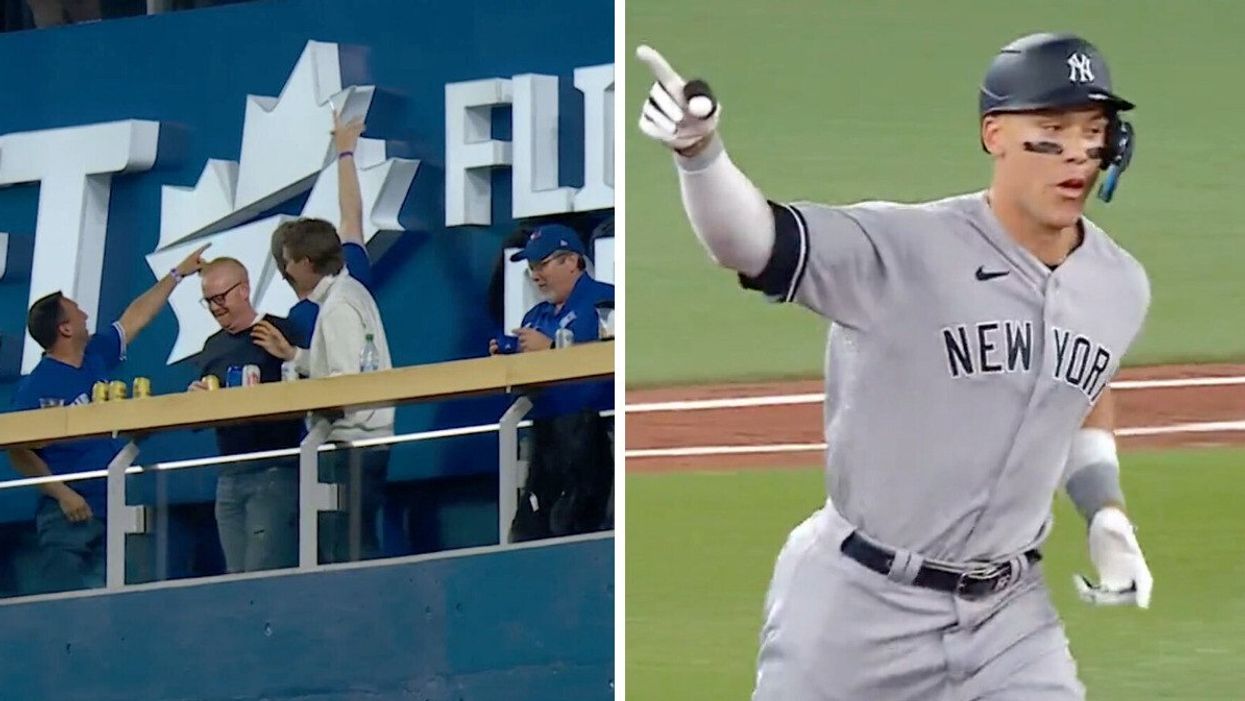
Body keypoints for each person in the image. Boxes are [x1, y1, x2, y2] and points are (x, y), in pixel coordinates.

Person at [636, 33, 1152, 700]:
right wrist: (698, 154)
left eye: (1093, 131)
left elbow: (1080, 385)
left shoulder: (1118, 283)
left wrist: (1104, 511)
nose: (1077, 152)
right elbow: (752, 241)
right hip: (854, 611)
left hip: (1008, 619)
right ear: (994, 134)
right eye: (1051, 129)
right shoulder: (905, 248)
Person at [6, 244, 209, 593]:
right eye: (78, 312)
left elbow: (137, 317)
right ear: (65, 329)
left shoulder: (96, 355)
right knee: (70, 610)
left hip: (117, 506)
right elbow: (18, 450)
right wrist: (63, 494)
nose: (86, 316)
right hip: (70, 515)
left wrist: (177, 274)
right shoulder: (35, 386)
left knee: (119, 603)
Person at [251, 218, 394, 563]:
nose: (285, 270)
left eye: (288, 261)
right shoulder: (346, 294)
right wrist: (294, 356)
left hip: (350, 445)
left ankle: (362, 612)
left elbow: (343, 382)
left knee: (346, 547)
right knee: (350, 542)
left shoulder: (339, 307)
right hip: (363, 442)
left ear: (306, 262)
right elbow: (343, 364)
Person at [494, 224, 614, 541]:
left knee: (575, 525)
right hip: (546, 442)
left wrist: (548, 349)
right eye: (532, 267)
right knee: (526, 533)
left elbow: (613, 363)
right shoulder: (535, 317)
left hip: (595, 437)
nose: (535, 275)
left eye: (542, 264)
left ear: (571, 261)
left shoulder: (605, 301)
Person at [188, 257, 304, 573]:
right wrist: (196, 402)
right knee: (236, 576)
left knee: (264, 570)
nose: (215, 308)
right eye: (208, 301)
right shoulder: (212, 347)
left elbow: (308, 388)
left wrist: (289, 357)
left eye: (220, 298)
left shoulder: (280, 331)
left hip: (274, 470)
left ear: (243, 290)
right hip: (229, 474)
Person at [275, 113, 374, 349]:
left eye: (289, 261)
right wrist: (345, 153)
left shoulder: (298, 321)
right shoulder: (353, 276)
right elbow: (352, 215)